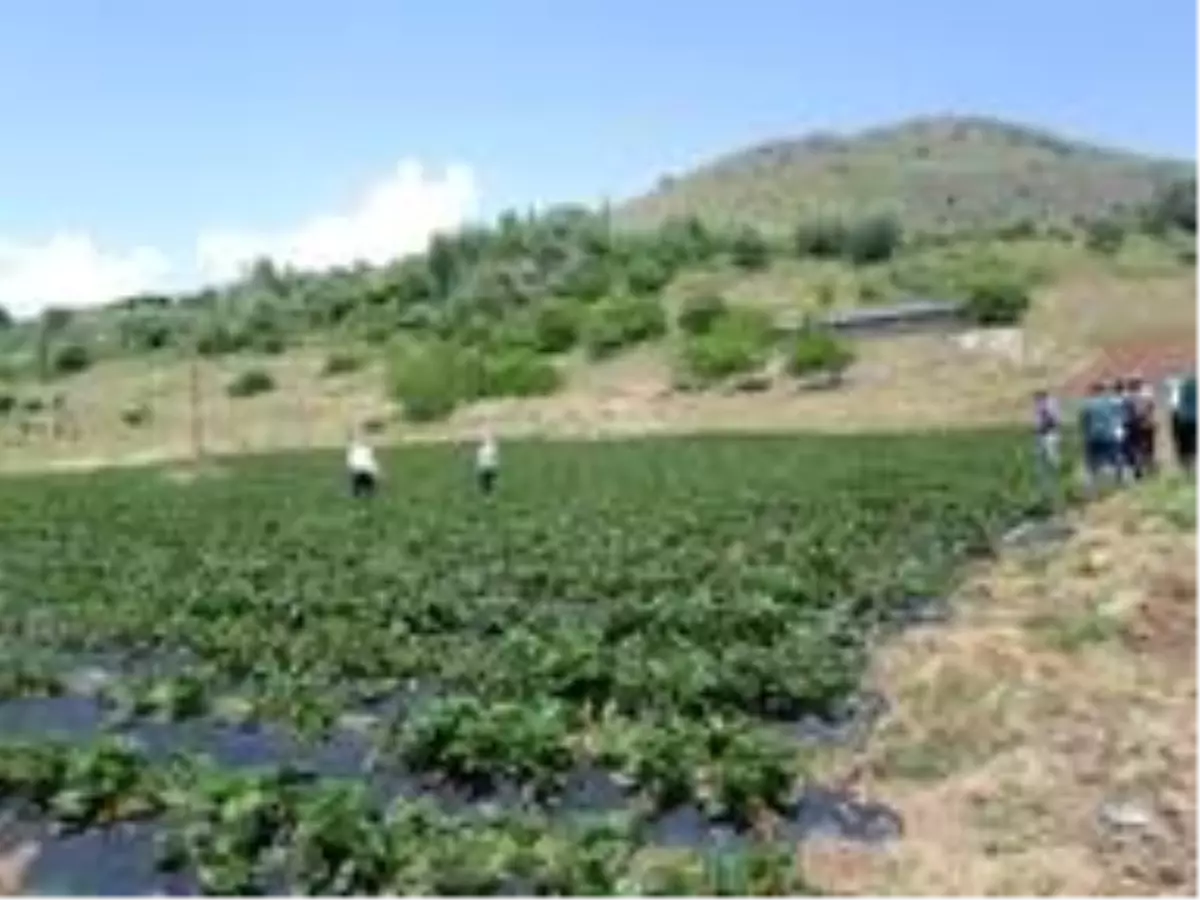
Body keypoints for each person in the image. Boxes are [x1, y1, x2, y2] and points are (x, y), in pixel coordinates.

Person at [1079, 381, 1125, 492]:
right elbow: (1117, 419)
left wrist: (1085, 435)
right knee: (1115, 458)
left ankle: (1091, 487)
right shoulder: (1111, 404)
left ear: (1094, 391)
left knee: (1091, 463)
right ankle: (1119, 482)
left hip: (1093, 436)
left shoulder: (1088, 405)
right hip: (1109, 435)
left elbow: (1084, 422)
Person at [1125, 375, 1157, 479]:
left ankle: (1138, 469)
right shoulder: (1147, 395)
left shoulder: (1127, 397)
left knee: (1135, 447)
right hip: (1147, 424)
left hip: (1134, 425)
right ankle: (1151, 468)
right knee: (1149, 448)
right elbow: (1152, 407)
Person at [1032, 388, 1062, 491]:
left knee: (1051, 458)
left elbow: (1053, 420)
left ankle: (1054, 480)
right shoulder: (1042, 406)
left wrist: (1043, 427)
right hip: (1043, 434)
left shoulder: (1048, 405)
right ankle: (1045, 482)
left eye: (1037, 398)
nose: (1036, 401)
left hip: (1048, 434)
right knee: (1042, 459)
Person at [346, 431, 380, 498]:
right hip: (367, 471)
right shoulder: (367, 449)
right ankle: (367, 494)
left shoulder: (353, 449)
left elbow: (350, 462)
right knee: (369, 491)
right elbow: (372, 461)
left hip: (357, 470)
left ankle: (358, 494)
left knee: (357, 491)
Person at [475, 430, 499, 494]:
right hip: (486, 466)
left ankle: (488, 490)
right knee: (487, 479)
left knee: (487, 479)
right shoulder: (486, 448)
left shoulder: (488, 447)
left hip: (487, 466)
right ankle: (488, 490)